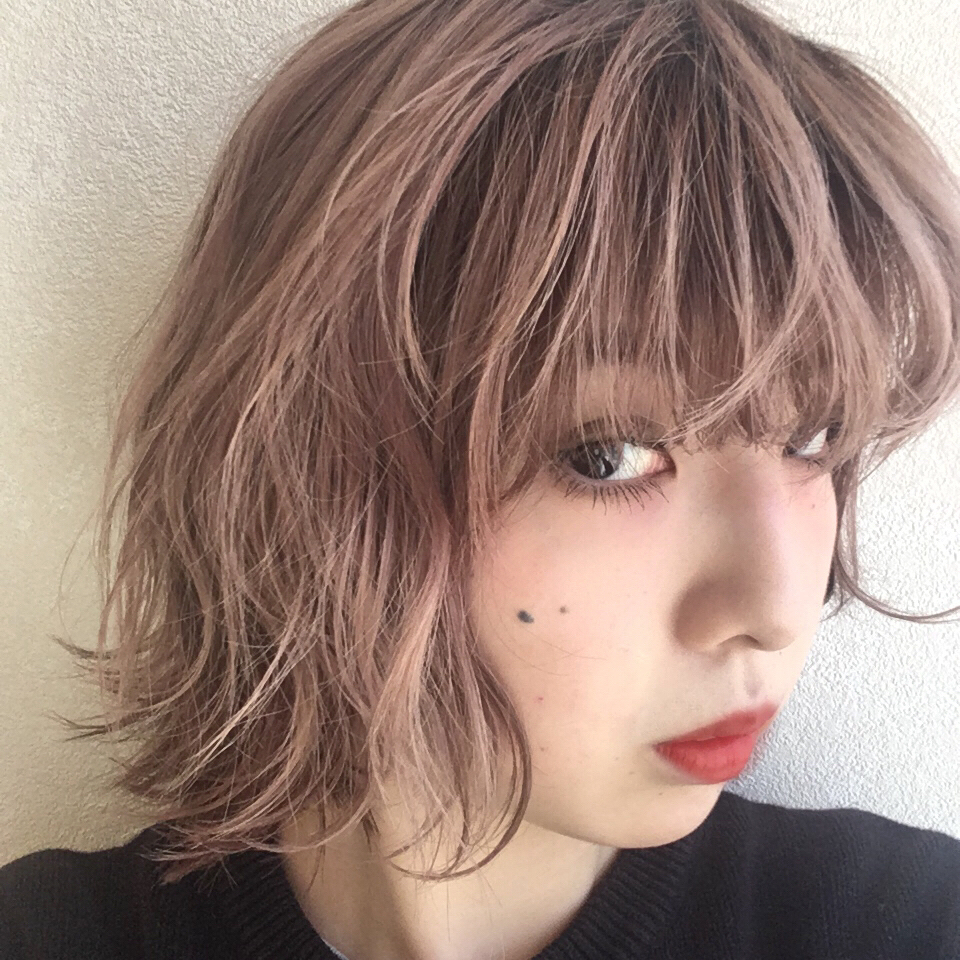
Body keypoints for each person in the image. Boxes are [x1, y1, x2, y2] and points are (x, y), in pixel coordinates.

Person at [3, 0, 960, 956]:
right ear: (307, 474)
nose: (776, 608)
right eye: (609, 454)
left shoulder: (905, 922)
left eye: (816, 437)